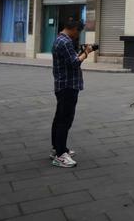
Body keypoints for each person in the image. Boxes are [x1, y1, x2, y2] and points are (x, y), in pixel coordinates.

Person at [50, 17, 94, 168]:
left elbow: (70, 59)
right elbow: (75, 62)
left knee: (59, 118)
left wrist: (81, 52)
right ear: (74, 29)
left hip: (62, 84)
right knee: (65, 120)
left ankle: (57, 148)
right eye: (78, 32)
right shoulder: (66, 42)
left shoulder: (59, 39)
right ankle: (60, 155)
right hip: (68, 86)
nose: (78, 35)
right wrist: (86, 53)